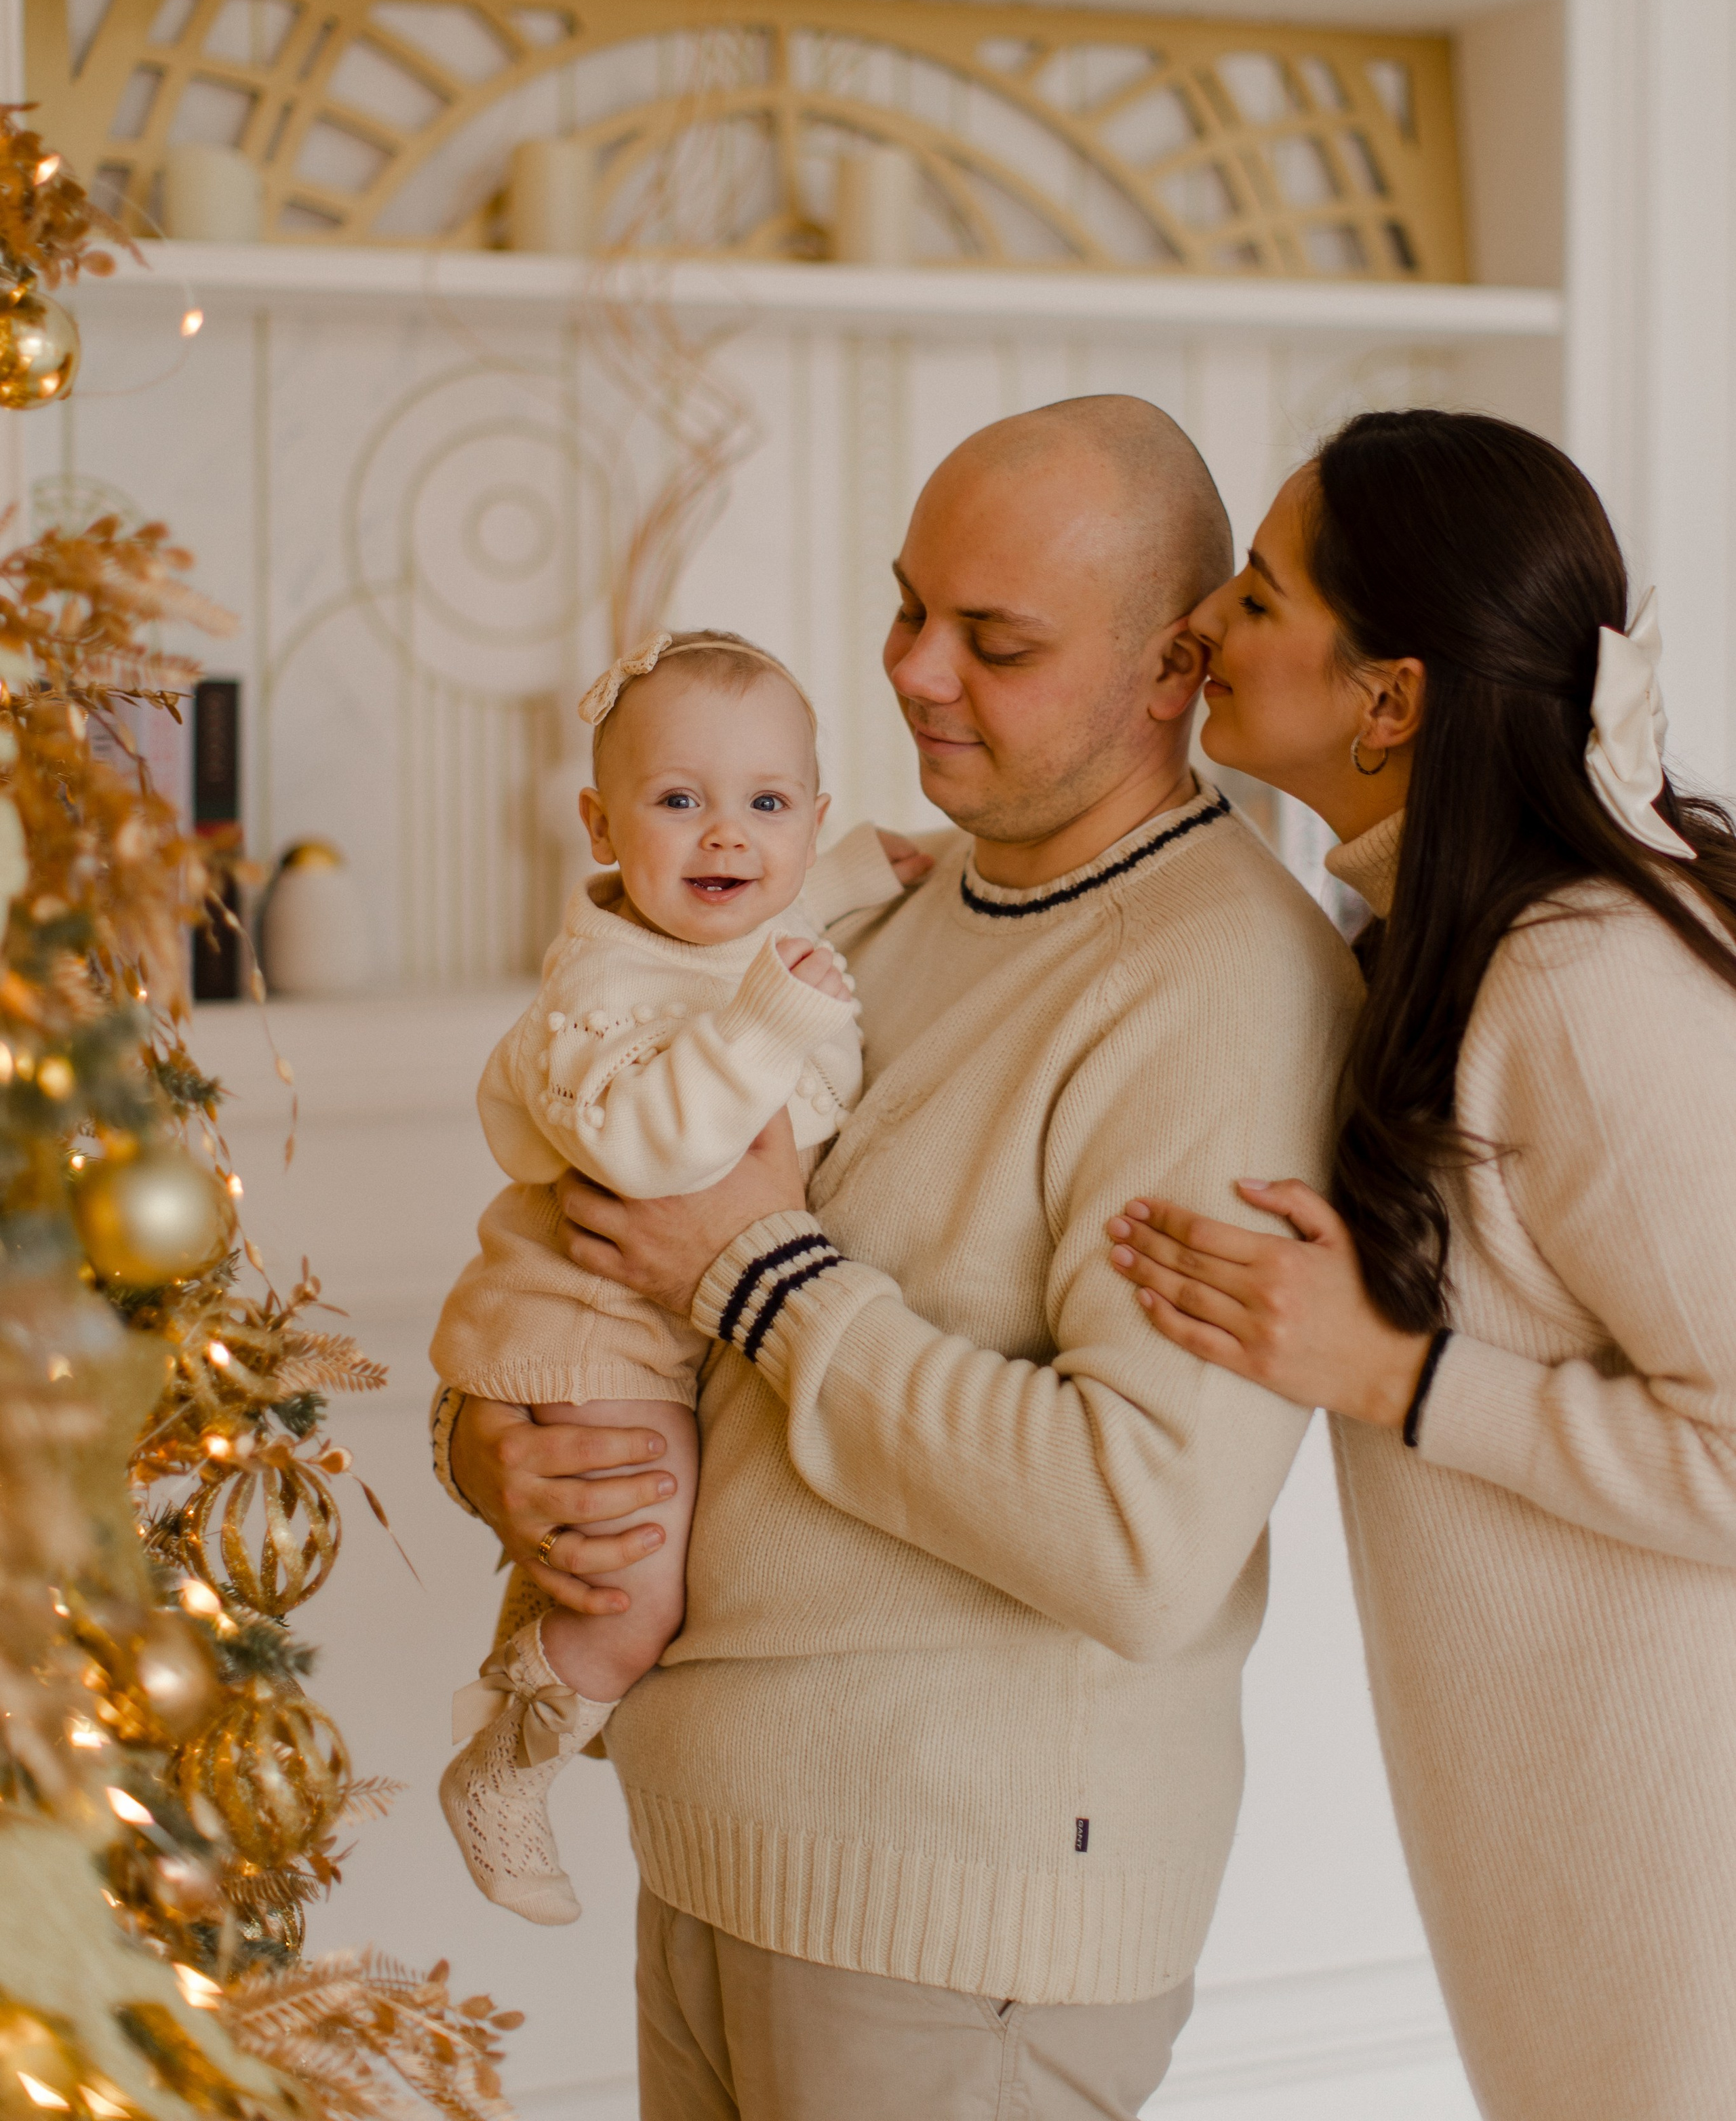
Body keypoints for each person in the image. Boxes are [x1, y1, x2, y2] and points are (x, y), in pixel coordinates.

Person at [434, 395, 1362, 2121]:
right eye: (905, 606)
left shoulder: (1225, 991)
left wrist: (763, 1275)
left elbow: (1134, 1533)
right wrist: (498, 1449)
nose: (913, 673)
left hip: (952, 1928)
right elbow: (613, 1260)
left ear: (1173, 668)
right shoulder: (861, 913)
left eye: (992, 643)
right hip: (722, 1855)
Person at [1106, 406, 1736, 2121]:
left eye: (1251, 594)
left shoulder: (1578, 987)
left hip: (1679, 1864)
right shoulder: (1417, 941)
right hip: (1554, 1832)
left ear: (1387, 699)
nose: (1201, 632)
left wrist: (1393, 1375)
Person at [432, 627, 924, 1924]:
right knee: (635, 1590)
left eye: (767, 806)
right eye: (678, 802)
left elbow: (799, 902)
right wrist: (772, 1025)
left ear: (811, 822)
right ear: (602, 825)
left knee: (624, 1560)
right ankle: (503, 1764)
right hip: (590, 1321)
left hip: (669, 1332)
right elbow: (652, 1148)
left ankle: (541, 1677)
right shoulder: (605, 985)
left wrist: (880, 865)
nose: (726, 838)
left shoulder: (766, 916)